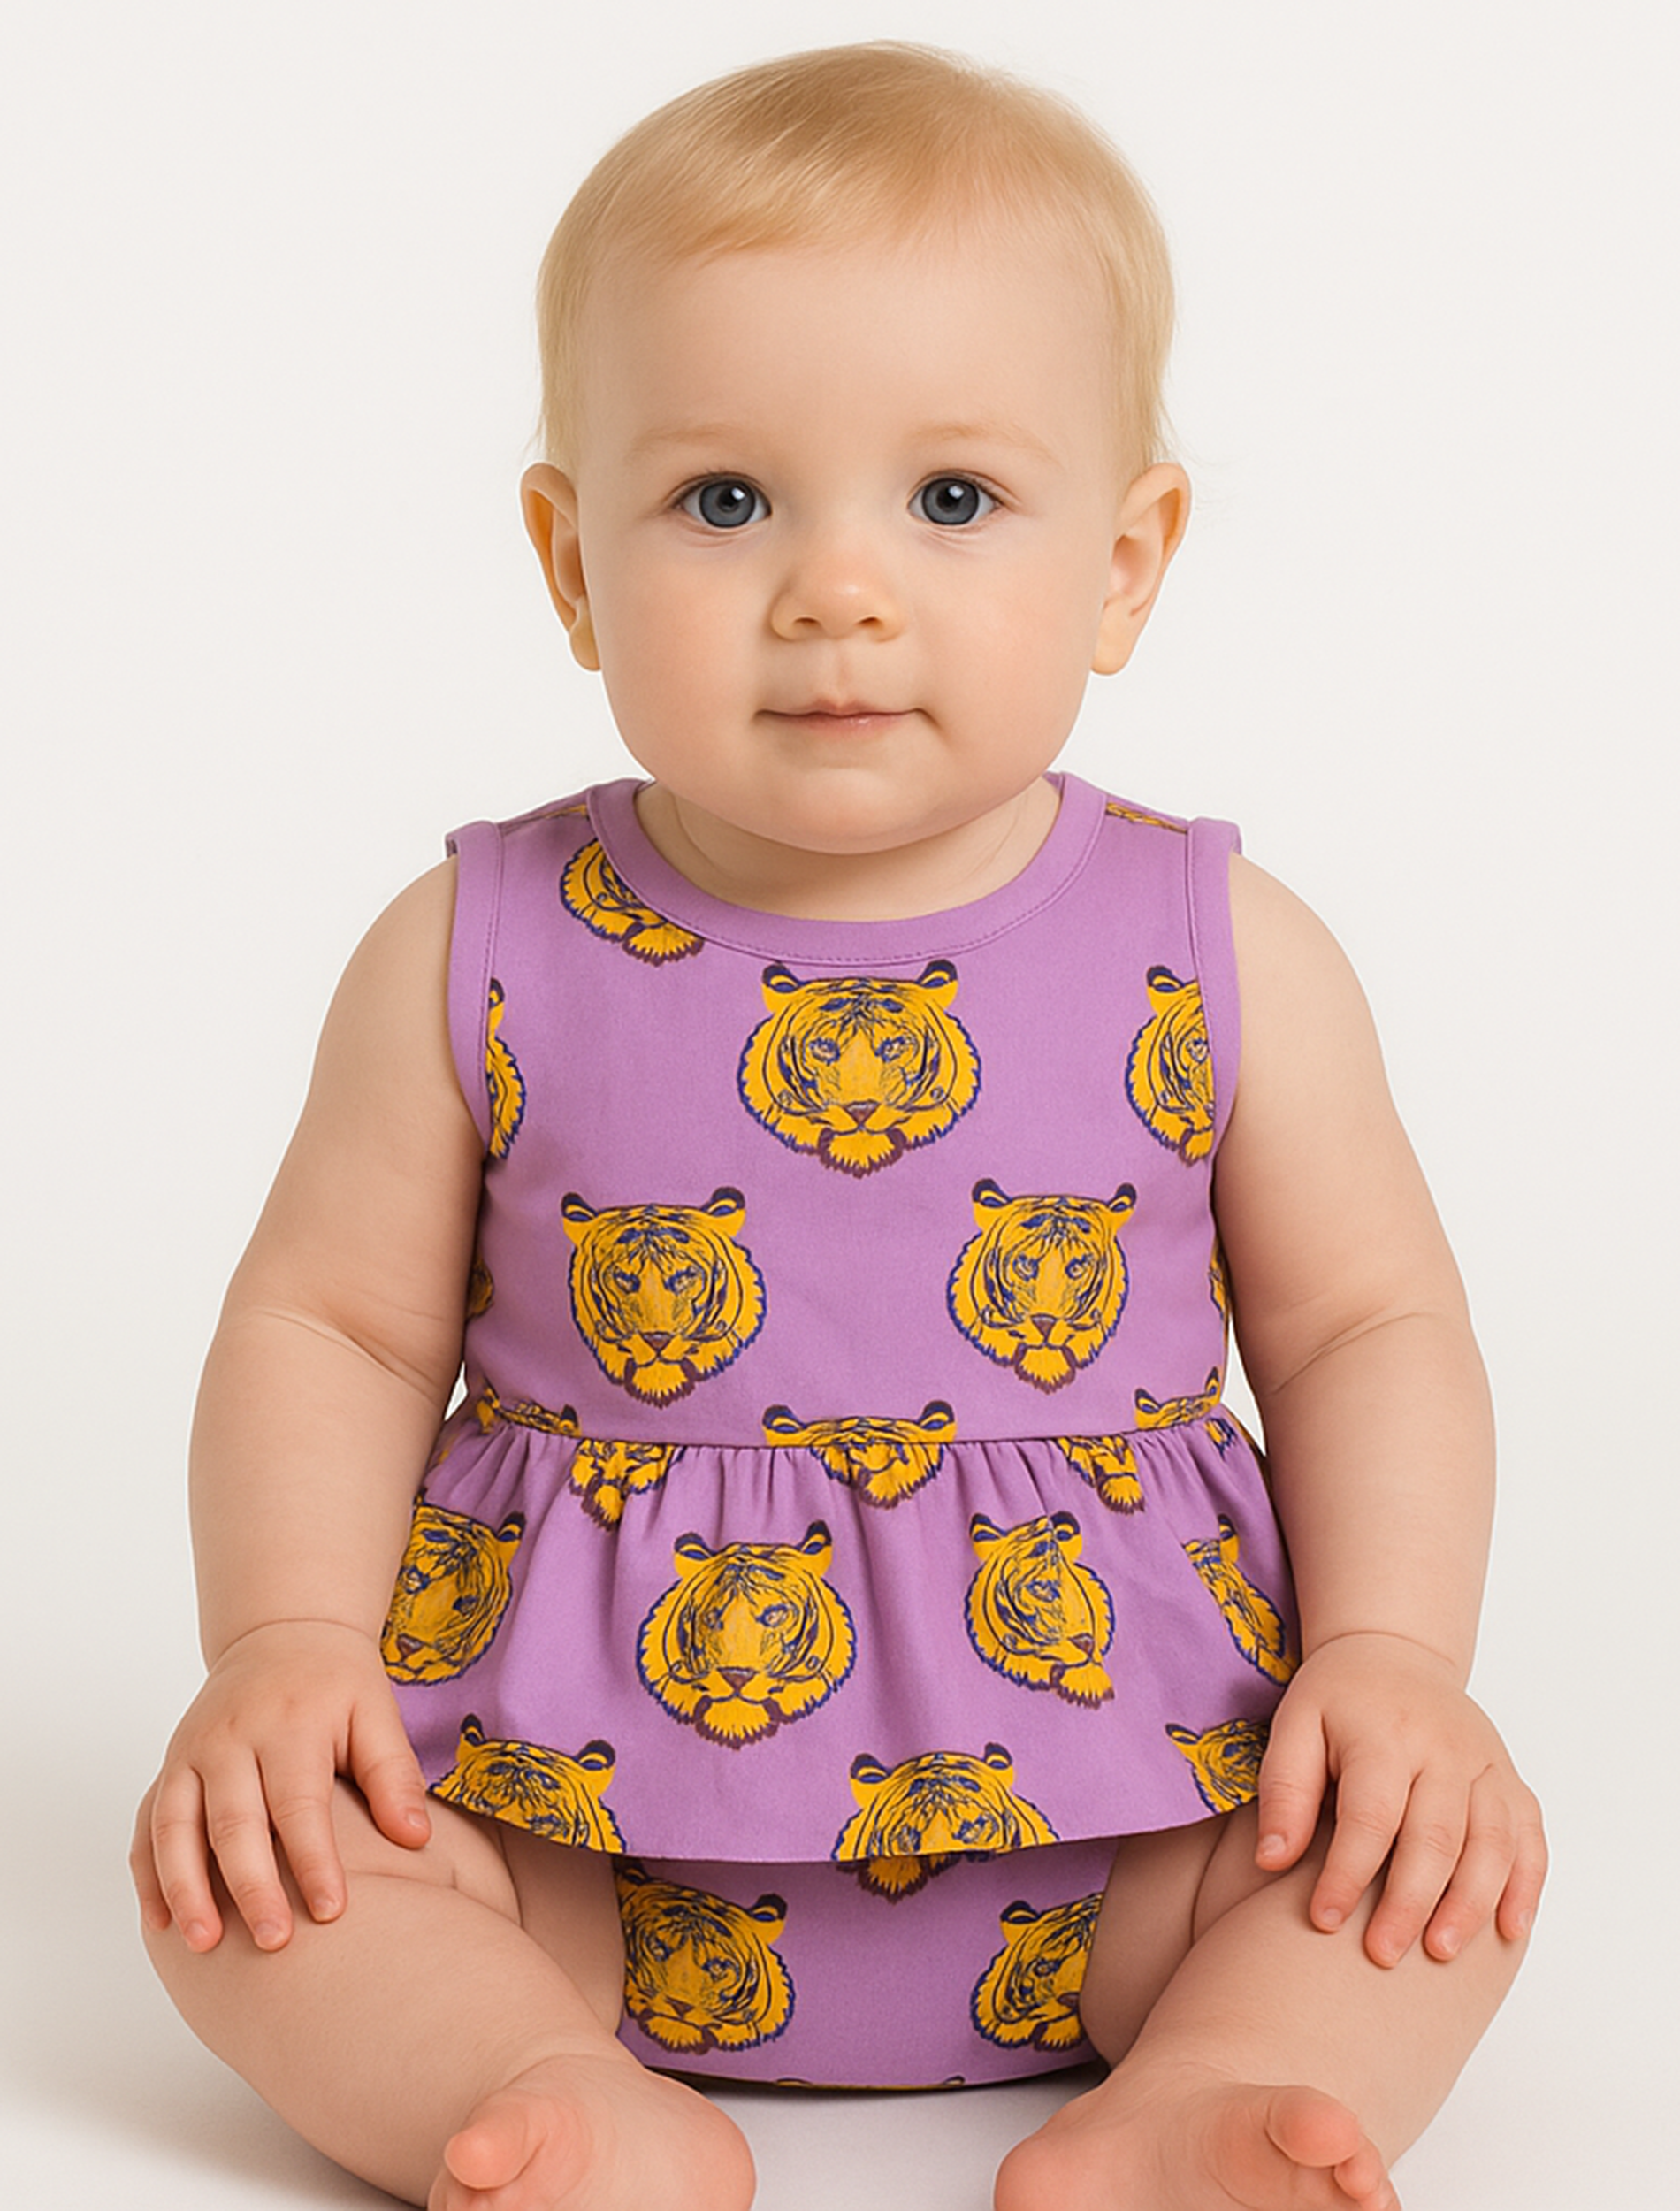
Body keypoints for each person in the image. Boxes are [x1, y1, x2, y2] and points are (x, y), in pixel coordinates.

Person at [131, 41, 1546, 2211]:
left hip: (1147, 1809)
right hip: (551, 1818)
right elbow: (329, 1322)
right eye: (724, 501)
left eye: (950, 499)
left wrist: (1389, 1660)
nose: (835, 589)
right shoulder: (479, 941)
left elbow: (1363, 1324)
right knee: (245, 1877)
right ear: (569, 560)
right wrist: (284, 1646)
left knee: (1429, 1863)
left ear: (1125, 561)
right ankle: (530, 2079)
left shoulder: (1215, 941)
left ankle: (1209, 2082)